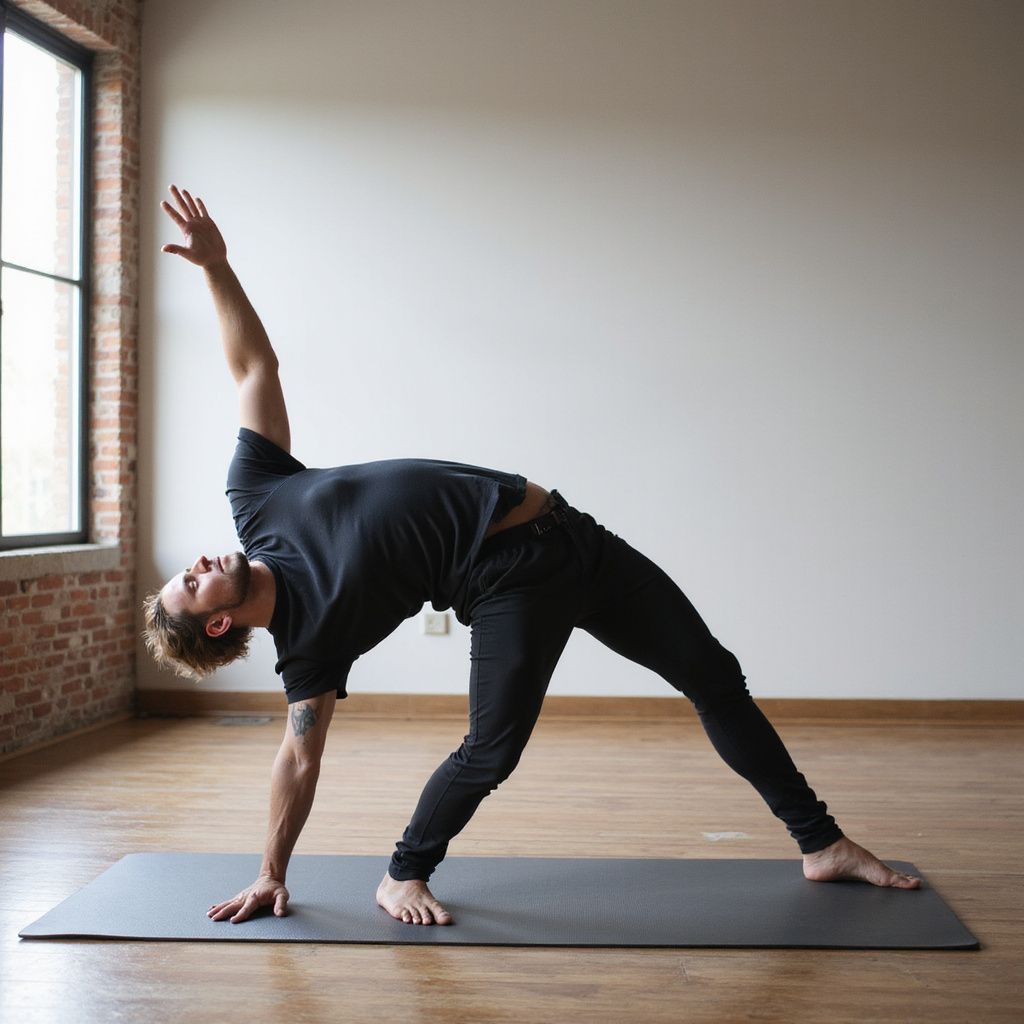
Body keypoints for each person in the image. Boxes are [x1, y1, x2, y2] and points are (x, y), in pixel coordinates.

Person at [143, 185, 920, 928]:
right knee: (493, 750)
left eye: (191, 565)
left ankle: (821, 844)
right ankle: (403, 872)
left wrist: (216, 268)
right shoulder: (309, 647)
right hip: (508, 585)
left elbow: (255, 370)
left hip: (573, 536)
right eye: (191, 583)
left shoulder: (258, 498)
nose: (202, 562)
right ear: (215, 626)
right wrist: (272, 871)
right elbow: (298, 761)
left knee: (714, 675)